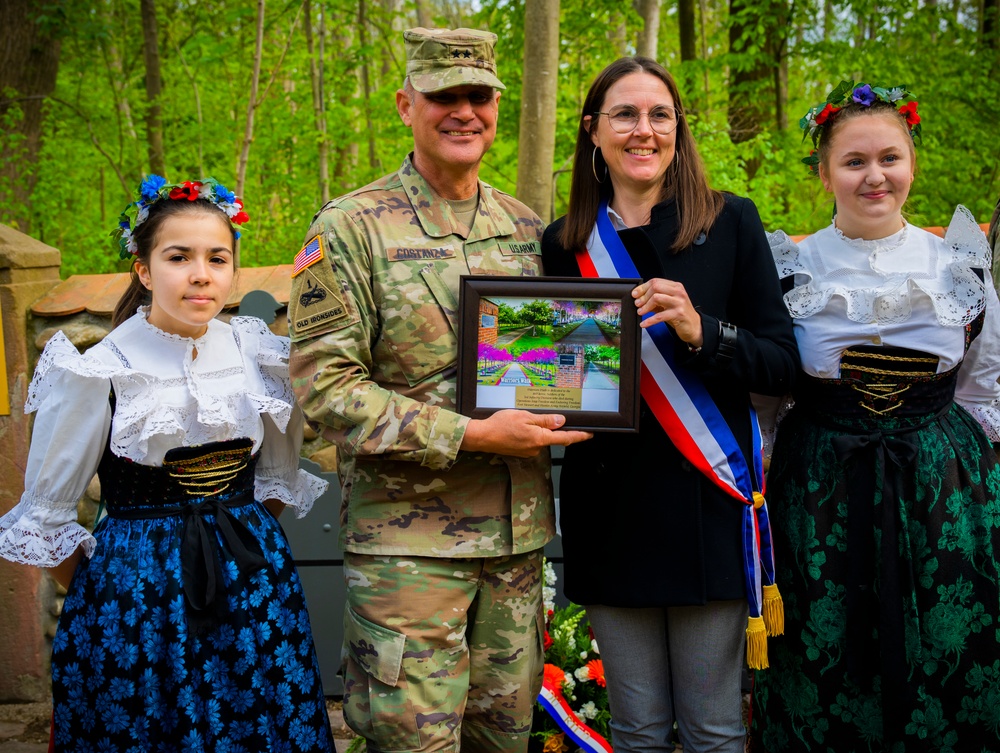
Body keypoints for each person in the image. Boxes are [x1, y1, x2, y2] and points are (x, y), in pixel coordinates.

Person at [287, 27, 591, 753]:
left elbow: (553, 366)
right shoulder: (350, 227)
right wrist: (472, 433)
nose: (464, 111)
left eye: (479, 96)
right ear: (405, 104)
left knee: (505, 741)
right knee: (408, 744)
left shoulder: (524, 227)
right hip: (407, 552)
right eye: (442, 96)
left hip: (514, 550)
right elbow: (324, 388)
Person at [0, 176, 335, 752]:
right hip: (134, 598)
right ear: (145, 271)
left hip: (252, 586)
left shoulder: (260, 356)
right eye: (178, 257)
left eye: (217, 258)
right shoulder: (97, 370)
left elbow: (276, 483)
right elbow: (46, 518)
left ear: (232, 270)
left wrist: (243, 544)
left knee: (258, 722)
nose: (200, 273)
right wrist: (113, 590)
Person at [540, 57, 799, 753]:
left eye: (660, 114)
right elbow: (554, 381)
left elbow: (782, 363)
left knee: (715, 729)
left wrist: (703, 330)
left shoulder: (732, 221)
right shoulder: (562, 243)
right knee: (637, 730)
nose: (644, 130)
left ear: (679, 130)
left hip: (707, 507)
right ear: (593, 131)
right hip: (609, 511)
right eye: (625, 114)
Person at [751, 81, 1000, 752]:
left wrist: (964, 477)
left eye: (889, 157)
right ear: (826, 171)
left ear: (912, 162)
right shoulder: (789, 269)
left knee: (947, 653)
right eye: (854, 161)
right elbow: (767, 405)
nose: (874, 176)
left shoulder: (958, 264)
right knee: (823, 654)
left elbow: (983, 391)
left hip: (944, 491)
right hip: (819, 492)